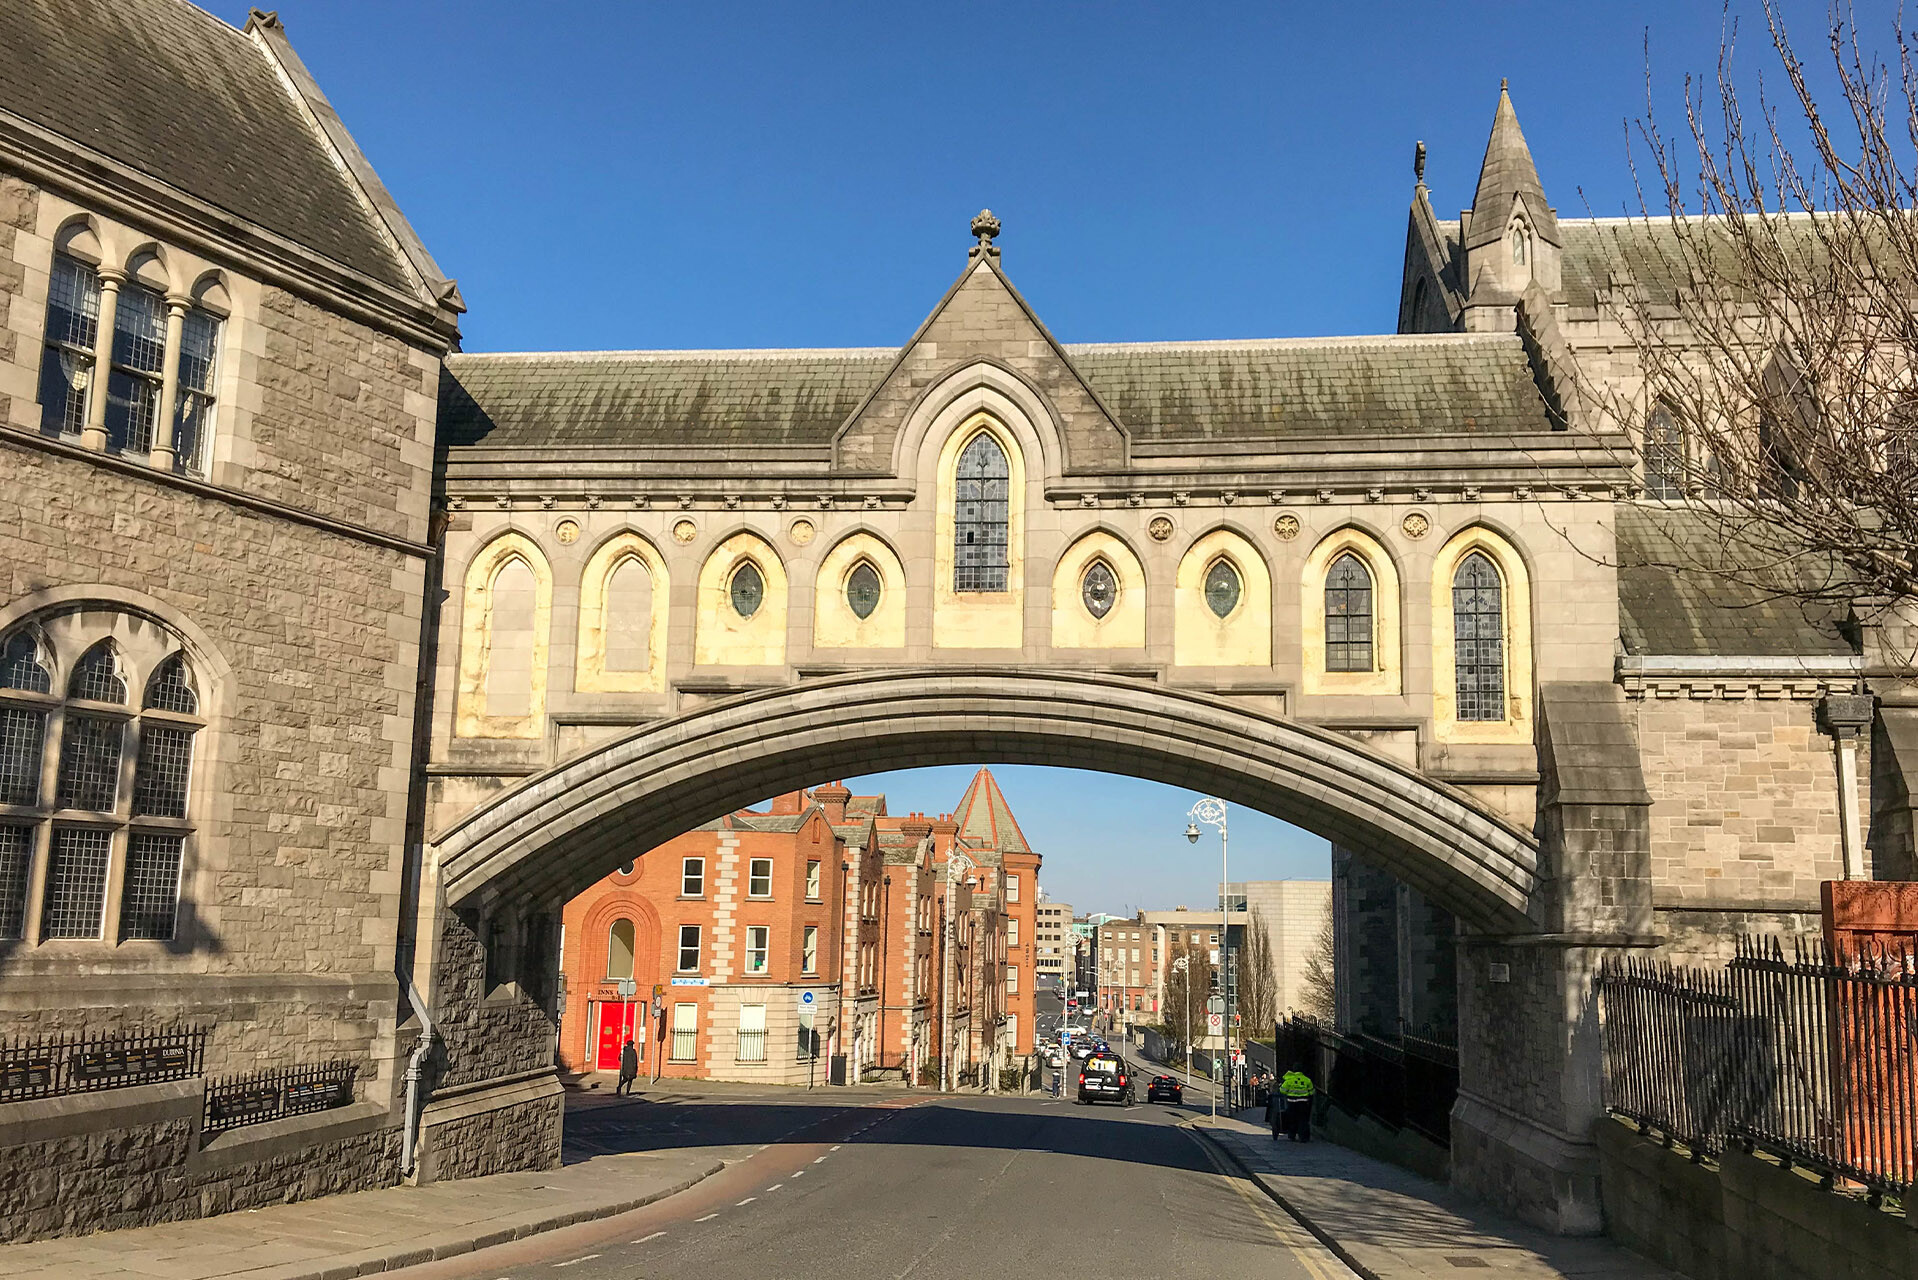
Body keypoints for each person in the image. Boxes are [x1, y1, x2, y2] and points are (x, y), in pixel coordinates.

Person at [1277, 1066, 1315, 1141]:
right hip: (1303, 1103)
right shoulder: (1307, 1080)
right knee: (1303, 1119)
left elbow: (1282, 1090)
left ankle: (1292, 1135)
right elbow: (1311, 1092)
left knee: (1292, 1119)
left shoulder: (1289, 1080)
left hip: (1292, 1102)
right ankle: (1303, 1137)